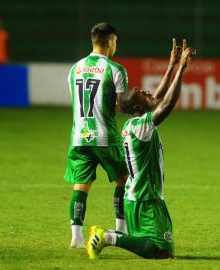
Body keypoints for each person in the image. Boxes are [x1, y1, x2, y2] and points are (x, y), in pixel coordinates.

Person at [86, 39, 196, 259]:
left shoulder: (133, 125)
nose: (148, 92)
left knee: (164, 249)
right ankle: (107, 236)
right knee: (160, 251)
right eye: (142, 93)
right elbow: (167, 104)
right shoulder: (141, 127)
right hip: (145, 200)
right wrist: (182, 69)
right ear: (137, 107)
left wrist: (172, 64)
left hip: (139, 197)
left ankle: (111, 236)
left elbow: (156, 99)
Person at [64, 22, 129, 249]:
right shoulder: (116, 69)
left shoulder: (75, 69)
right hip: (106, 136)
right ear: (111, 42)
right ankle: (121, 229)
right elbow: (122, 105)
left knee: (81, 186)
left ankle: (76, 237)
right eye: (115, 42)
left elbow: (77, 102)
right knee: (125, 179)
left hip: (80, 137)